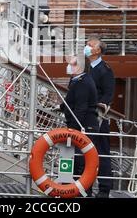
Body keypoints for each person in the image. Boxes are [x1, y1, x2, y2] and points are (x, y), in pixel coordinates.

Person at [60, 55, 99, 197]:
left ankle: (82, 193)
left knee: (81, 161)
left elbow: (81, 108)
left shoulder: (83, 82)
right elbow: (72, 101)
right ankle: (69, 190)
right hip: (81, 125)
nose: (70, 64)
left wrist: (73, 131)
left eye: (73, 63)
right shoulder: (76, 81)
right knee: (73, 161)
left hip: (85, 127)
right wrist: (61, 107)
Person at [84, 37, 114, 198]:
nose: (86, 47)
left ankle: (104, 188)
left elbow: (108, 94)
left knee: (101, 151)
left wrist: (99, 105)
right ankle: (85, 186)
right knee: (84, 151)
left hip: (98, 118)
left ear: (98, 50)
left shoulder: (105, 70)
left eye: (90, 45)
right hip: (83, 116)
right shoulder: (85, 68)